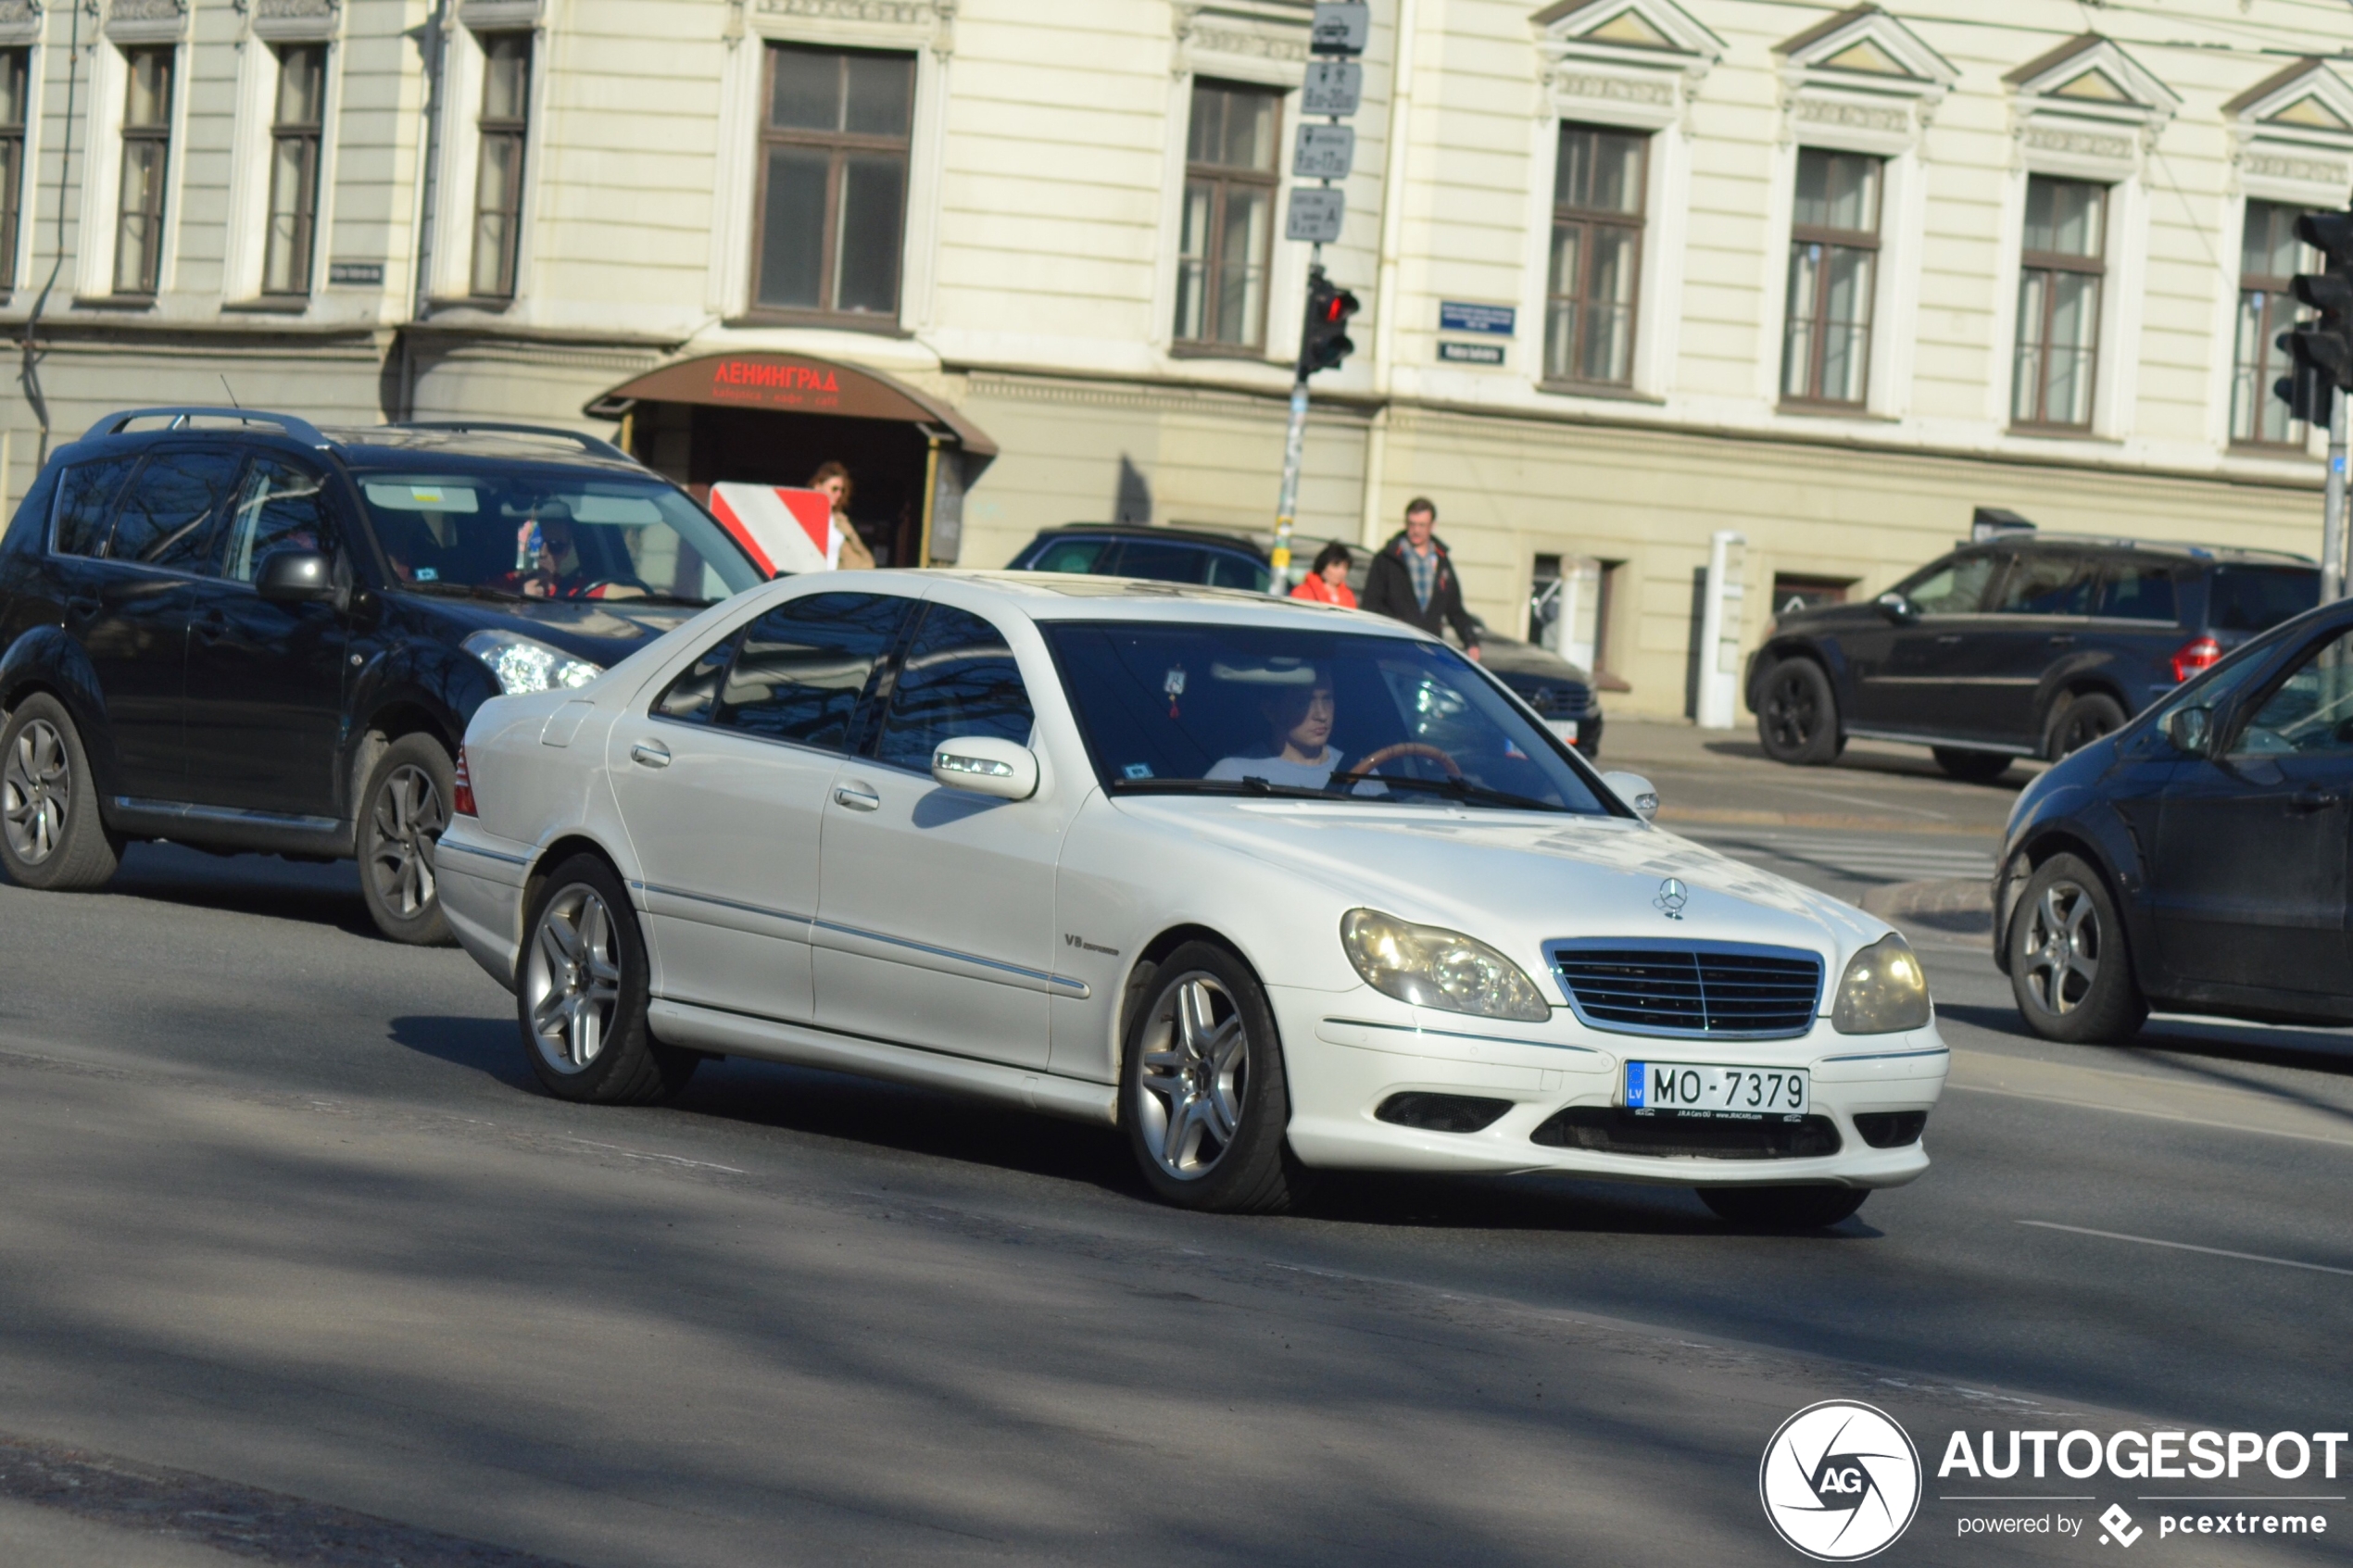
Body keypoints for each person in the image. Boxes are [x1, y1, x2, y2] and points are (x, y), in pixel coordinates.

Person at [1360, 497, 1481, 660]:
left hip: (1430, 650)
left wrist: (1471, 642)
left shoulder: (1441, 560)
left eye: (1422, 525)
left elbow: (1455, 609)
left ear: (1433, 526)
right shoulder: (1388, 559)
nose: (1416, 530)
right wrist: (1397, 623)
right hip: (1394, 649)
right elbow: (1370, 605)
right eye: (1412, 524)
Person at [1207, 670, 1344, 789]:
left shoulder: (1359, 774)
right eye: (1304, 702)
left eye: (1327, 699)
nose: (1322, 715)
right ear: (1271, 711)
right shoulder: (1232, 776)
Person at [810, 461, 877, 571]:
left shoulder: (840, 521)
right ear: (818, 487)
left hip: (832, 581)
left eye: (842, 490)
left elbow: (861, 558)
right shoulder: (804, 516)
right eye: (834, 489)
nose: (839, 494)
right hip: (807, 581)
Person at [1290, 541, 1357, 608]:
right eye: (1335, 566)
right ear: (1323, 566)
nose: (1341, 571)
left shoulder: (1348, 596)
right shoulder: (1303, 592)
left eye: (1345, 567)